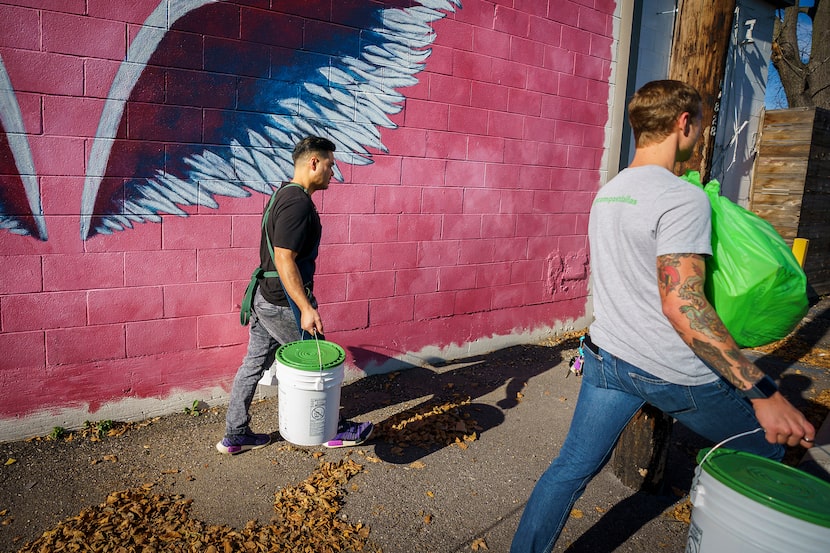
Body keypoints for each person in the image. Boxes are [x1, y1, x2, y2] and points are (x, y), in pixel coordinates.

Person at [510, 80, 815, 552]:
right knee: (769, 449)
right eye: (700, 126)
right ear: (683, 123)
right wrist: (762, 392)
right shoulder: (681, 198)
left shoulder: (609, 194)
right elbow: (684, 304)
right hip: (671, 372)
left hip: (607, 359)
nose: (699, 136)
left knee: (570, 467)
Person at [216, 136, 374, 454]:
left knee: (253, 364)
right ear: (313, 162)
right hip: (282, 303)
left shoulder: (283, 196)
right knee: (318, 363)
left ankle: (236, 434)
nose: (334, 171)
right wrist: (305, 307)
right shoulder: (298, 201)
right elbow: (284, 256)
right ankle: (331, 430)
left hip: (265, 297)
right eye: (330, 164)